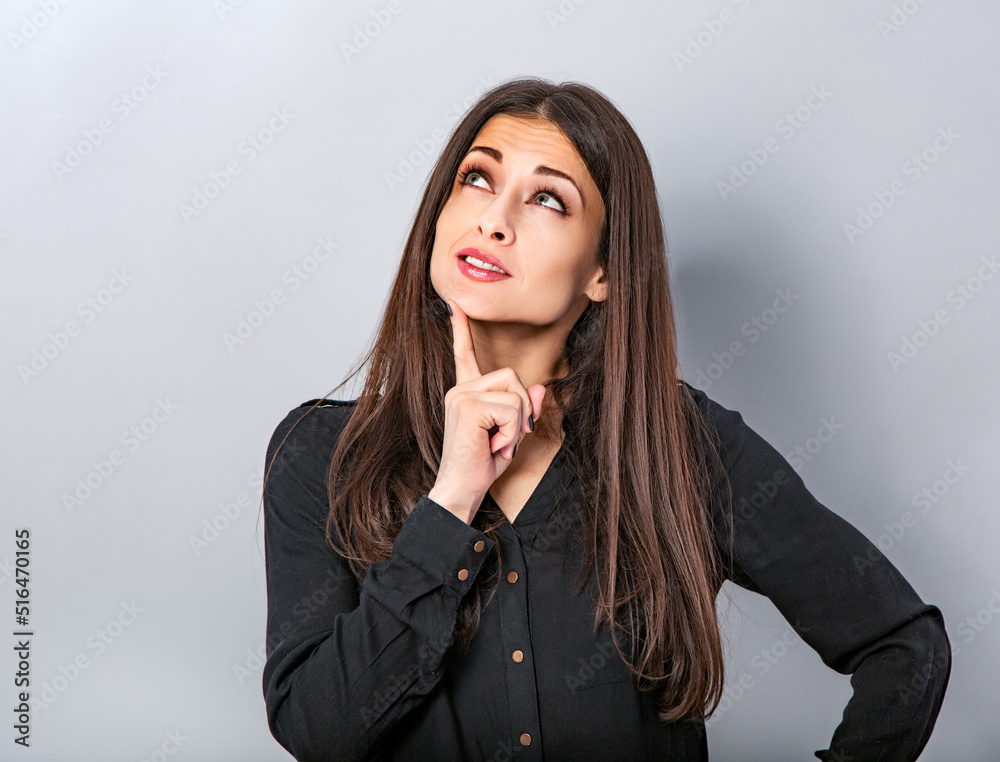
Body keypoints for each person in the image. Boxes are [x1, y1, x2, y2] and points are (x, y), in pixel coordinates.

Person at [260, 77, 950, 762]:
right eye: (476, 179)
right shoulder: (319, 453)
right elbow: (322, 733)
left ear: (605, 272)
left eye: (547, 199)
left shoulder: (678, 447)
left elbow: (904, 649)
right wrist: (450, 502)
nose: (493, 220)